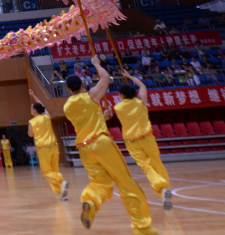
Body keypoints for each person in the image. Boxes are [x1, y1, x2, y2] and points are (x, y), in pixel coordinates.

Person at [63, 56, 155, 235]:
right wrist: (96, 64)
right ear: (82, 84)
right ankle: (141, 226)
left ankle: (90, 201)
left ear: (68, 89)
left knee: (100, 183)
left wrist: (102, 117)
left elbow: (85, 120)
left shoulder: (67, 107)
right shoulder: (90, 96)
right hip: (100, 142)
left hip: (84, 148)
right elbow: (105, 79)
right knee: (125, 182)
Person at [106, 69, 172, 210]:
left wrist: (107, 114)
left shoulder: (118, 107)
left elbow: (109, 115)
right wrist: (129, 76)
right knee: (157, 163)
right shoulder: (141, 102)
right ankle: (164, 188)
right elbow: (143, 86)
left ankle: (160, 187)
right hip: (147, 138)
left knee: (146, 166)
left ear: (122, 95)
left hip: (132, 142)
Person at [27, 90, 69, 200]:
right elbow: (43, 106)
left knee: (46, 172)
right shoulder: (47, 116)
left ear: (35, 110)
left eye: (31, 107)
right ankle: (61, 193)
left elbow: (30, 134)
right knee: (54, 171)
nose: (30, 109)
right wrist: (34, 95)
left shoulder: (32, 122)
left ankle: (61, 181)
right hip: (54, 147)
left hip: (43, 149)